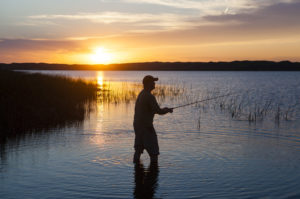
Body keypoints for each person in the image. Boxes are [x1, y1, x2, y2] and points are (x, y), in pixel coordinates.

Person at [133, 75, 173, 164]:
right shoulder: (149, 96)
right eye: (153, 82)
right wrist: (167, 110)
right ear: (148, 84)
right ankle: (153, 174)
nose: (154, 84)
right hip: (146, 127)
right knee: (154, 153)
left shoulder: (141, 94)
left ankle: (136, 172)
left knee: (138, 150)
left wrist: (165, 110)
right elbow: (158, 111)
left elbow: (153, 110)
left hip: (137, 126)